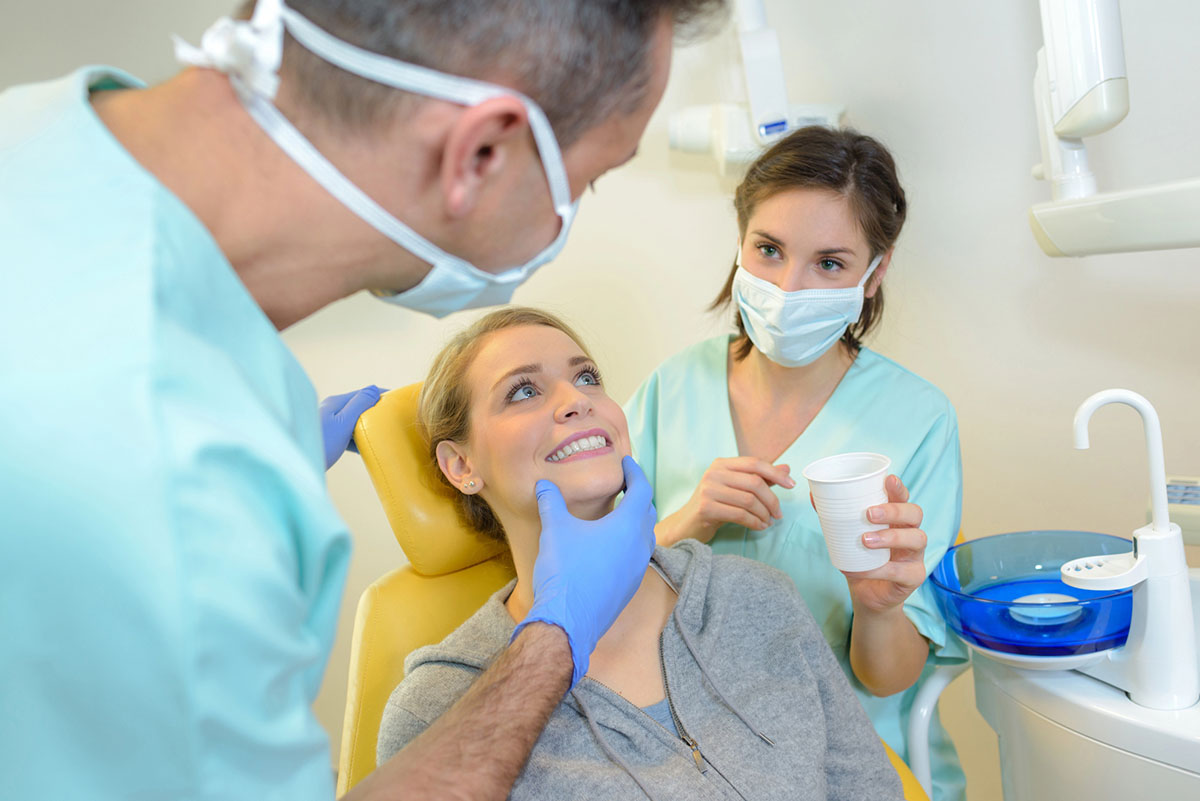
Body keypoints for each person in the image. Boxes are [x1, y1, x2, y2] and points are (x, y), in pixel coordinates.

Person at [0, 2, 725, 800]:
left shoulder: (37, 129)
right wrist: (554, 638)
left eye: (585, 376)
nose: (574, 402)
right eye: (588, 178)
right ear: (480, 151)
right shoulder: (177, 480)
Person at [375, 306, 905, 800]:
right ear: (461, 466)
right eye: (522, 392)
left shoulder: (757, 597)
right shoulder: (436, 708)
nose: (576, 400)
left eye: (586, 378)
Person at [623, 126, 968, 801]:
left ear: (876, 272)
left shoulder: (919, 419)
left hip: (841, 761)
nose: (788, 286)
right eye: (770, 250)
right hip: (680, 749)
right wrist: (688, 522)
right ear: (740, 241)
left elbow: (891, 679)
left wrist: (878, 607)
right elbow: (594, 591)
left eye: (830, 263)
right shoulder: (672, 388)